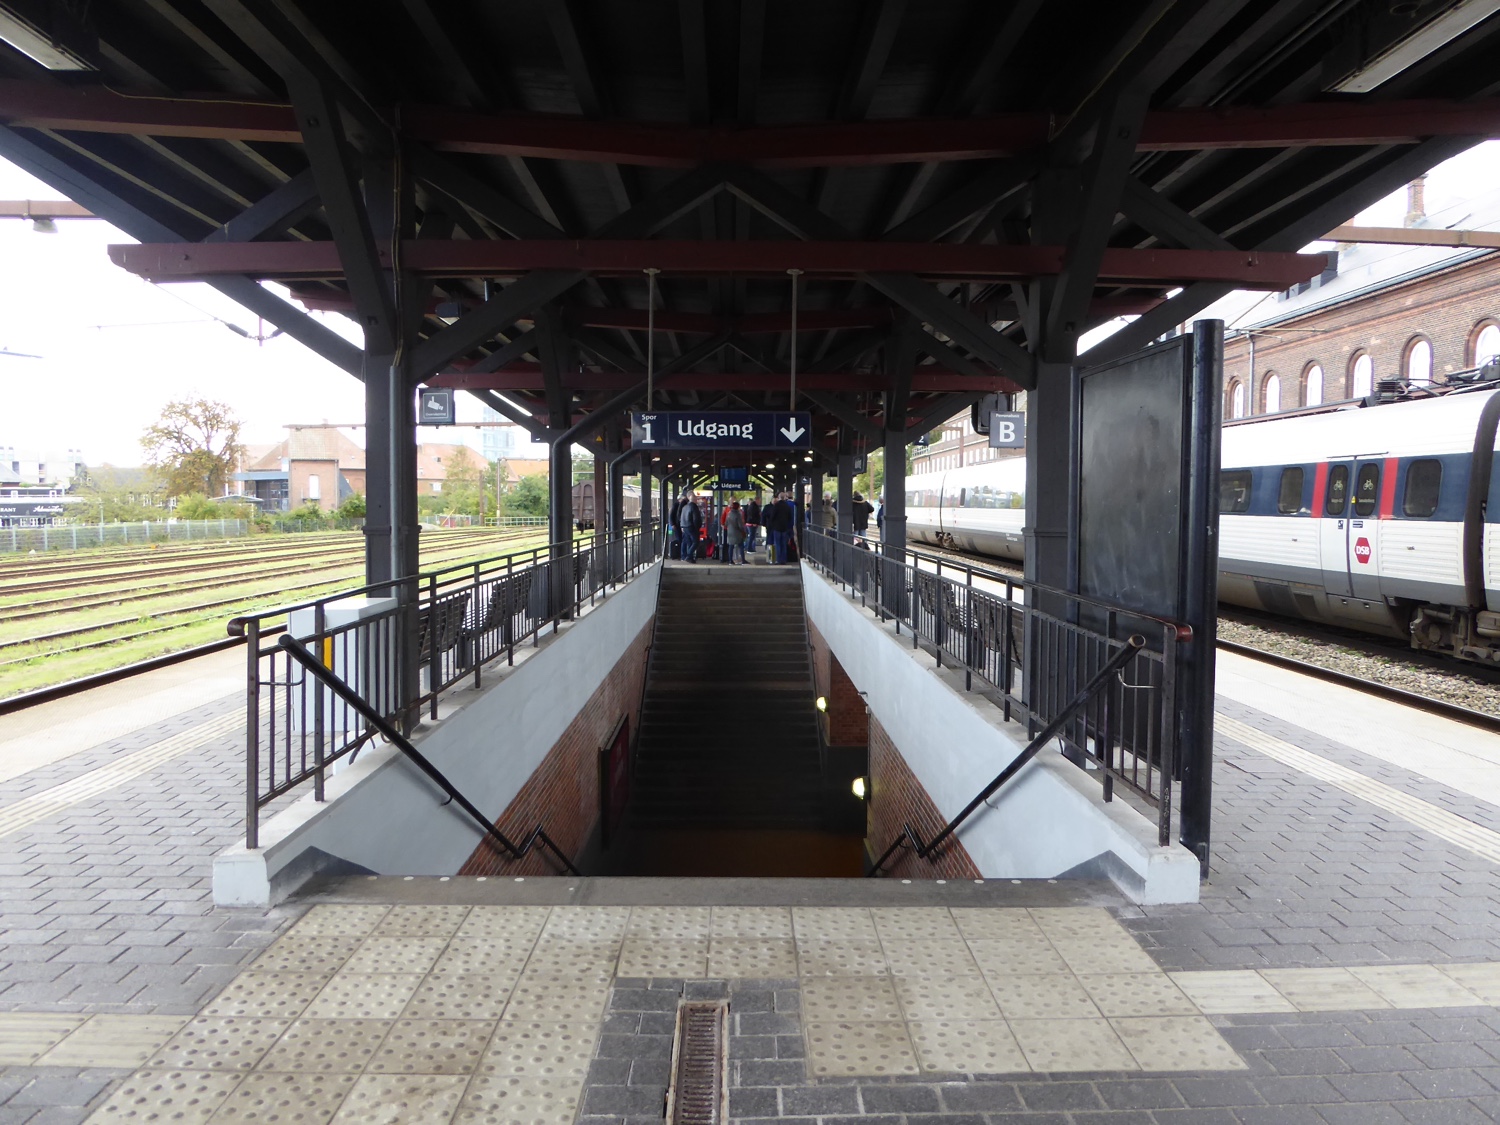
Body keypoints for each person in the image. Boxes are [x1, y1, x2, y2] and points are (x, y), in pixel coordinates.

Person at [767, 491, 795, 564]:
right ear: (784, 497)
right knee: (783, 544)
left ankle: (778, 559)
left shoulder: (776, 506)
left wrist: (772, 524)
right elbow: (790, 517)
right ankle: (784, 559)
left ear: (779, 497)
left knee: (777, 544)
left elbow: (772, 517)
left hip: (777, 528)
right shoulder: (787, 506)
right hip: (785, 528)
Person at [678, 494, 702, 561]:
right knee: (695, 542)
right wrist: (698, 527)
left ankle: (690, 558)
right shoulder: (694, 507)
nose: (697, 501)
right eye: (696, 499)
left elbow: (681, 517)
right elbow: (696, 519)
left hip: (684, 527)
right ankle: (689, 556)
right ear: (694, 500)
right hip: (691, 527)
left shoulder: (685, 507)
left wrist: (681, 526)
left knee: (689, 542)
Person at [723, 500, 747, 564]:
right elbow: (740, 525)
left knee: (731, 547)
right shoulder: (738, 514)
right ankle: (743, 560)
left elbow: (725, 523)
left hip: (730, 532)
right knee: (741, 546)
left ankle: (730, 560)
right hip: (737, 533)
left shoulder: (729, 514)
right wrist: (743, 530)